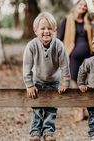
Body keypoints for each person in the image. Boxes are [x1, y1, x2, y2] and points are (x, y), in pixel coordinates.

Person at [23, 12, 70, 141]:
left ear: (54, 30)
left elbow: (65, 65)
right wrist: (29, 85)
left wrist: (65, 82)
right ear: (35, 30)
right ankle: (35, 132)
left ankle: (48, 132)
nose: (46, 31)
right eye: (42, 28)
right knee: (37, 107)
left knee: (51, 107)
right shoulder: (31, 46)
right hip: (37, 80)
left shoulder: (59, 45)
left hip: (54, 80)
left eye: (49, 28)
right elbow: (27, 66)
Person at [57, 0, 93, 122]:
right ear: (76, 5)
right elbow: (59, 39)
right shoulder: (67, 20)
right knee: (74, 83)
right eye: (81, 4)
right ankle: (79, 110)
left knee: (85, 83)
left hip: (87, 57)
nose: (82, 7)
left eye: (85, 6)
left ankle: (83, 109)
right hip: (72, 57)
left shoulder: (88, 21)